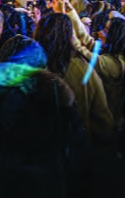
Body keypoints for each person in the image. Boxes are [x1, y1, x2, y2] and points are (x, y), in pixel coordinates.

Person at [34, 12, 114, 148]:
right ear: (70, 37)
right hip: (74, 148)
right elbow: (102, 118)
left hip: (37, 149)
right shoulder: (83, 71)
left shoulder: (29, 67)